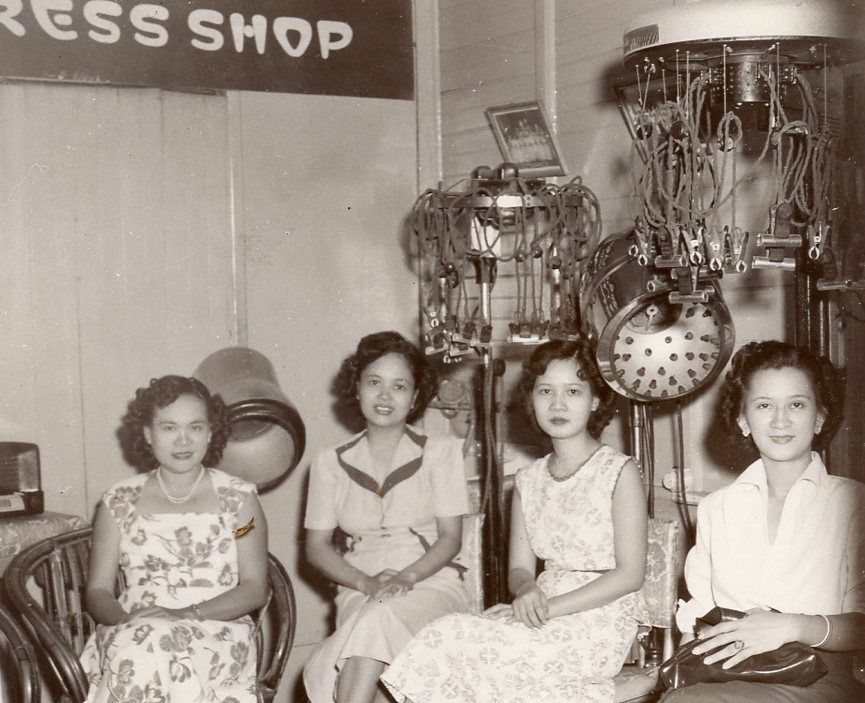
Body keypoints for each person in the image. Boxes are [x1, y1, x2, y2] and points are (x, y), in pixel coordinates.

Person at [381, 337, 649, 703]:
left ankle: (600, 688)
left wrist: (547, 609)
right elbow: (520, 569)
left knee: (473, 651)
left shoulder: (619, 471)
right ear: (531, 400)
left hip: (598, 618)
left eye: (573, 391)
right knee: (442, 635)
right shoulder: (528, 480)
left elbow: (630, 575)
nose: (557, 404)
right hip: (540, 608)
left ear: (596, 400)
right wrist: (526, 591)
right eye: (545, 391)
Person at [662, 340, 865, 703]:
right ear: (743, 419)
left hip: (820, 677)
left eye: (797, 405)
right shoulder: (715, 509)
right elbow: (697, 622)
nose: (780, 421)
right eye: (764, 405)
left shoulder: (853, 503)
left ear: (819, 417)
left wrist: (791, 625)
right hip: (728, 673)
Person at [302, 331, 471, 703]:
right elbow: (316, 547)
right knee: (372, 621)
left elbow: (450, 538)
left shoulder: (440, 452)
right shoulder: (329, 462)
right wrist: (365, 584)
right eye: (374, 382)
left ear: (414, 398)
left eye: (399, 386)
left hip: (429, 582)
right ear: (357, 388)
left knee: (375, 623)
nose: (384, 396)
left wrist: (405, 578)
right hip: (359, 587)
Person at [81, 375, 269, 703]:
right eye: (168, 427)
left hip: (215, 627)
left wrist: (186, 615)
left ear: (210, 432)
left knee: (156, 643)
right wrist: (126, 621)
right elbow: (98, 590)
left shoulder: (240, 501)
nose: (183, 440)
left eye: (195, 427)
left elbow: (254, 588)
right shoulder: (118, 500)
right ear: (147, 434)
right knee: (148, 642)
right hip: (134, 629)